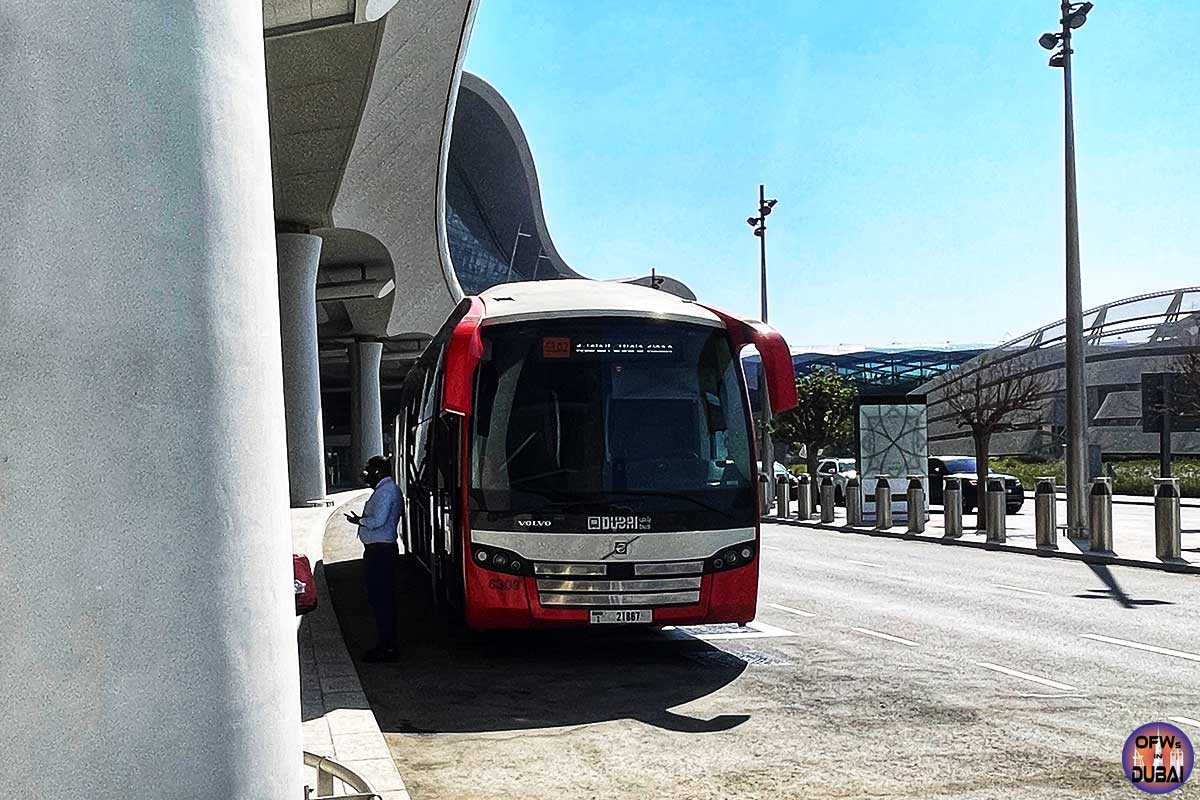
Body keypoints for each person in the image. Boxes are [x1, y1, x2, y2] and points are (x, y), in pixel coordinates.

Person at [344, 455, 402, 662]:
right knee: (382, 598)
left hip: (380, 552)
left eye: (369, 471)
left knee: (381, 599)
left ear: (378, 472)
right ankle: (387, 643)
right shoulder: (387, 490)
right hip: (381, 550)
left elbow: (378, 520)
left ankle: (387, 646)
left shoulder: (386, 492)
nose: (366, 475)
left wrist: (360, 521)